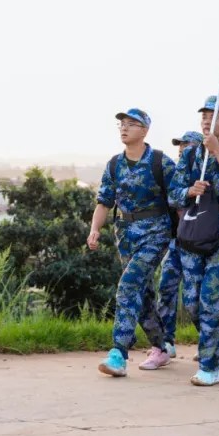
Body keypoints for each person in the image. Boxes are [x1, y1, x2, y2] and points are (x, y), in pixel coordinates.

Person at [89, 108, 178, 377]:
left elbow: (178, 199)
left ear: (145, 130)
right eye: (121, 124)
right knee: (143, 293)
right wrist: (94, 230)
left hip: (155, 233)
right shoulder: (114, 164)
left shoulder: (161, 162)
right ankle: (161, 346)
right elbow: (104, 201)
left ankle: (118, 353)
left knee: (128, 286)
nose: (124, 128)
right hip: (125, 235)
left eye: (131, 124)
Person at [168, 96, 219, 386]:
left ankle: (209, 365)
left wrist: (217, 152)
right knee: (191, 300)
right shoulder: (190, 155)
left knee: (211, 298)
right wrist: (189, 191)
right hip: (194, 232)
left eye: (214, 116)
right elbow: (173, 193)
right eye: (204, 115)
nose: (207, 120)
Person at [157, 130, 203, 358]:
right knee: (166, 287)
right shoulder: (175, 177)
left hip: (198, 244)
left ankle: (211, 338)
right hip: (177, 242)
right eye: (180, 146)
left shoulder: (204, 176)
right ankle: (166, 341)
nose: (181, 150)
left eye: (187, 146)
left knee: (194, 298)